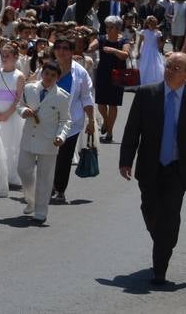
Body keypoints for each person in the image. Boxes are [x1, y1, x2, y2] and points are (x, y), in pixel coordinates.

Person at [118, 52, 186, 286]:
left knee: (170, 215)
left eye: (176, 68)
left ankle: (160, 267)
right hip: (151, 164)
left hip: (178, 168)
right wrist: (125, 159)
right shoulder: (147, 94)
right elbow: (132, 129)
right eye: (168, 66)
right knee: (150, 209)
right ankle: (163, 239)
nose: (170, 70)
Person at [16, 61, 71, 225]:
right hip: (29, 137)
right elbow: (19, 105)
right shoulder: (29, 88)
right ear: (42, 73)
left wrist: (61, 136)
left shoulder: (62, 96)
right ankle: (30, 199)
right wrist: (24, 111)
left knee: (45, 177)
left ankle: (40, 210)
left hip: (49, 141)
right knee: (23, 170)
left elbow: (65, 120)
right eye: (46, 74)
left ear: (58, 78)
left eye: (53, 75)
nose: (48, 78)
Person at [48, 36, 96, 205]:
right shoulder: (47, 68)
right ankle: (49, 186)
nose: (61, 51)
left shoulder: (80, 72)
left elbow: (86, 97)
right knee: (48, 155)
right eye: (58, 47)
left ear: (71, 51)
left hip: (71, 121)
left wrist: (91, 121)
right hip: (48, 119)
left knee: (64, 157)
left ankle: (60, 189)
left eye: (66, 48)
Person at [93, 17, 132, 143]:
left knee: (113, 104)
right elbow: (89, 47)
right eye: (107, 26)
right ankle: (106, 121)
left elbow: (125, 55)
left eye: (111, 27)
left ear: (118, 28)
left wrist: (113, 50)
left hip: (118, 73)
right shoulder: (101, 39)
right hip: (103, 72)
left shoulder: (124, 40)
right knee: (101, 103)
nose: (108, 29)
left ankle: (109, 133)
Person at [0, 43, 25, 185]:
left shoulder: (19, 76)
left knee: (12, 143)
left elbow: (18, 98)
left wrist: (7, 113)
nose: (4, 58)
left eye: (8, 56)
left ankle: (12, 175)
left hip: (12, 115)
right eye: (2, 56)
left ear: (15, 57)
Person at [138, 15, 166, 86]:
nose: (153, 26)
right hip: (145, 50)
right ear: (148, 24)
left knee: (155, 66)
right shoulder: (144, 32)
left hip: (154, 51)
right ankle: (144, 80)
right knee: (145, 65)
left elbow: (159, 43)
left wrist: (161, 47)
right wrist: (138, 51)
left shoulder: (158, 33)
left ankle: (154, 81)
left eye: (155, 24)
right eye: (152, 24)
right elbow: (140, 42)